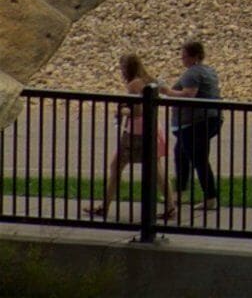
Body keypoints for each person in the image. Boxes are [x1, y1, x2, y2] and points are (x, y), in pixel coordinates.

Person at [90, 52, 154, 218]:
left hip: (136, 131)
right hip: (151, 128)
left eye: (122, 67)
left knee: (115, 166)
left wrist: (121, 110)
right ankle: (170, 206)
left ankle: (104, 206)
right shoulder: (148, 80)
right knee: (156, 168)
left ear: (128, 68)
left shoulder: (134, 85)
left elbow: (138, 110)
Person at [166, 39, 220, 218]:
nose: (182, 59)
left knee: (198, 158)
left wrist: (166, 91)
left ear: (194, 56)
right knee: (181, 153)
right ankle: (179, 192)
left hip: (195, 123)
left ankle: (210, 197)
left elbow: (189, 95)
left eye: (185, 56)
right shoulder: (208, 71)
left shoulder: (192, 73)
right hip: (209, 119)